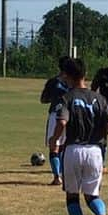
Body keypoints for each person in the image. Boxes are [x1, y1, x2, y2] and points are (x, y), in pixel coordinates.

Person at [49, 57, 108, 215]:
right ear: (85, 74)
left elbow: (62, 122)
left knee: (72, 196)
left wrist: (54, 140)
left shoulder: (67, 98)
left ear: (67, 76)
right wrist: (98, 135)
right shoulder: (99, 98)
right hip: (95, 151)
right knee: (92, 196)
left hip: (73, 150)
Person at [40, 56, 69, 186]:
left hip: (55, 115)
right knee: (65, 146)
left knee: (54, 146)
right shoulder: (74, 82)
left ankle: (57, 176)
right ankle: (64, 174)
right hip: (70, 115)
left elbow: (44, 99)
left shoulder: (53, 82)